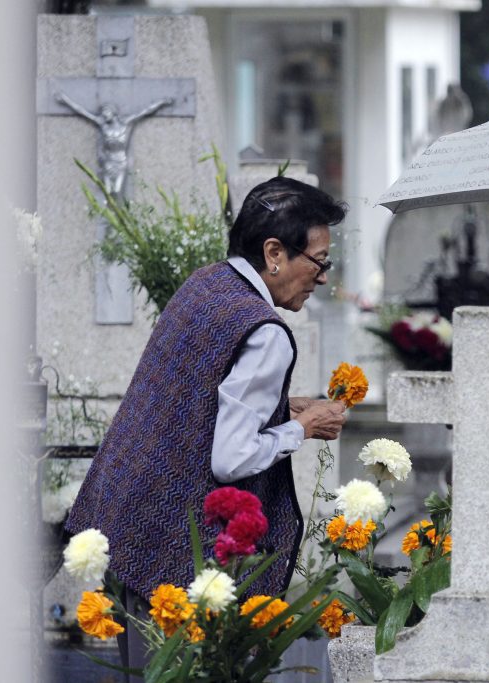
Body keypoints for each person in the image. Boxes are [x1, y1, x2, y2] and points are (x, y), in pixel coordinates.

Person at [66, 176, 349, 674]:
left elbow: (193, 397)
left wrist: (280, 408)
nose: (322, 277)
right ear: (275, 253)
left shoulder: (207, 283)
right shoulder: (266, 333)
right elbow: (231, 459)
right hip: (179, 560)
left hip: (130, 531)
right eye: (319, 261)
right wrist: (301, 429)